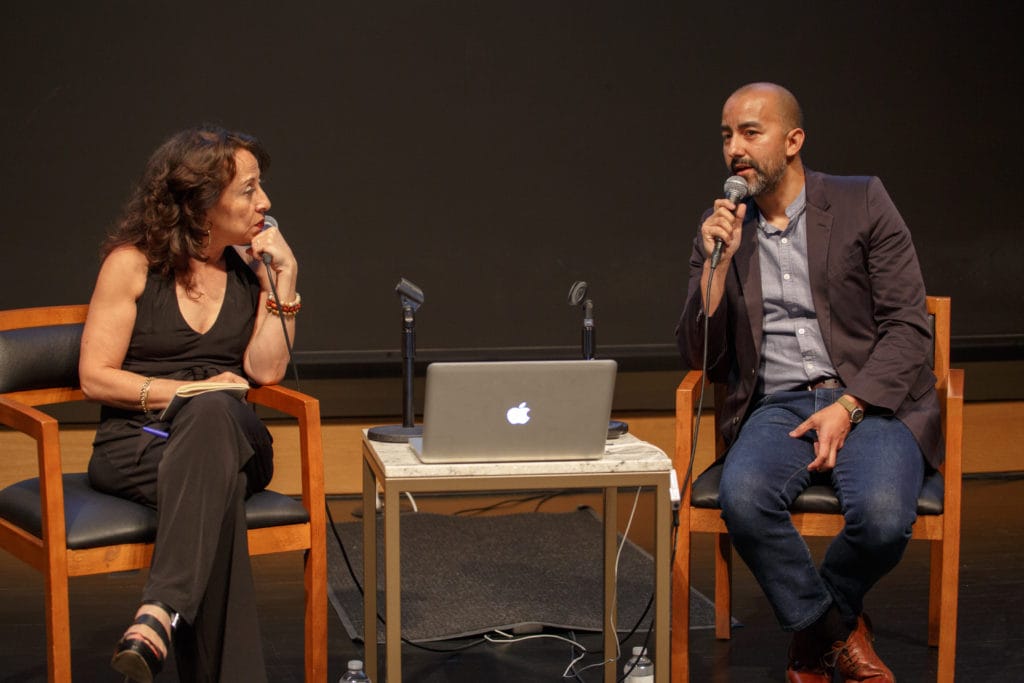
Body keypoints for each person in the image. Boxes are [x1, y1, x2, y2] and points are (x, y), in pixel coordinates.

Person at [675, 82, 942, 682]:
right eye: (726, 135)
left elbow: (907, 328)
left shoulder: (861, 201)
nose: (735, 149)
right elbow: (700, 355)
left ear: (793, 141)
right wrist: (714, 272)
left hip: (872, 399)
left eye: (751, 132)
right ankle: (832, 632)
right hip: (779, 404)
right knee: (743, 499)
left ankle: (813, 633)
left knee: (879, 515)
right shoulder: (720, 231)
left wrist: (848, 405)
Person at [79, 124, 299, 682]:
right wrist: (188, 392)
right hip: (141, 441)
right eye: (248, 189)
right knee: (212, 482)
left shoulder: (254, 273)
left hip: (233, 438)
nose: (264, 202)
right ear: (201, 203)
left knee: (215, 418)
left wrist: (286, 281)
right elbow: (95, 377)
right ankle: (167, 627)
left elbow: (267, 371)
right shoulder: (132, 264)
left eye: (260, 187)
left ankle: (158, 610)